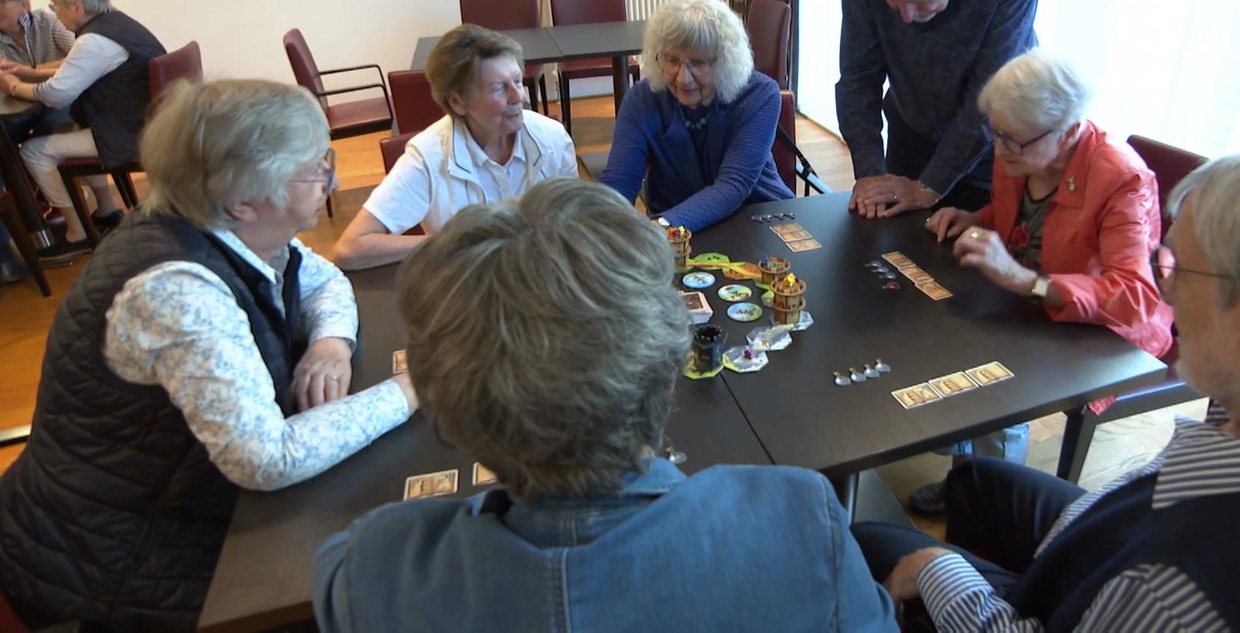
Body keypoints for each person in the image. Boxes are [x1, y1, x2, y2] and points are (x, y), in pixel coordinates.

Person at [854, 137, 1240, 631]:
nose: (1165, 292)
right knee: (978, 479)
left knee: (869, 543)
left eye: (1181, 268)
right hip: (1124, 534)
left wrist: (939, 571)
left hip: (1130, 573)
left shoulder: (1175, 592)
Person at [312, 178, 893, 632]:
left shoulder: (369, 568)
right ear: (668, 368)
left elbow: (342, 566)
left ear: (449, 413)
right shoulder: (803, 517)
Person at [0, 79, 420, 632]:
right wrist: (413, 387)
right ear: (242, 200)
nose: (334, 180)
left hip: (185, 510)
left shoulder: (225, 226)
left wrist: (330, 344)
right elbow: (266, 458)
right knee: (374, 596)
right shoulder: (173, 288)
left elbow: (324, 281)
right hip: (120, 563)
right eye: (315, 170)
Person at [907, 51, 1172, 516]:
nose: (999, 150)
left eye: (1012, 141)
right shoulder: (1021, 148)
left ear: (1067, 132)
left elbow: (1135, 296)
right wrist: (974, 218)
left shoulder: (1122, 178)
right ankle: (966, 476)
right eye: (996, 133)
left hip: (1100, 329)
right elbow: (1025, 219)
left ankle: (995, 506)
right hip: (1027, 299)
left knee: (999, 382)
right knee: (942, 331)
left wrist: (1024, 280)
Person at [838, 0, 1038, 220]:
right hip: (911, 128)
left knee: (975, 243)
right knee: (896, 239)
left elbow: (990, 94)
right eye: (893, 4)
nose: (907, 18)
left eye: (923, 0)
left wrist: (930, 186)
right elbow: (858, 76)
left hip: (994, 143)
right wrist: (871, 174)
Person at [333, 24, 576, 270]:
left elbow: (573, 220)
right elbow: (350, 248)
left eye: (517, 81)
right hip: (467, 282)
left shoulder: (553, 138)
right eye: (498, 87)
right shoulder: (427, 156)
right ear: (458, 102)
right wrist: (454, 241)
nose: (519, 97)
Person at [0, 0, 164, 264]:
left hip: (127, 132)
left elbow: (56, 95)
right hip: (146, 122)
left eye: (56, 7)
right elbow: (76, 66)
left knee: (33, 151)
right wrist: (27, 73)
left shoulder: (94, 41)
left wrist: (13, 86)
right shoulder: (117, 23)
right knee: (66, 130)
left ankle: (77, 234)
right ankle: (105, 212)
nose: (55, 13)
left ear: (76, 6)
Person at [601, 0, 792, 231]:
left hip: (757, 220)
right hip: (677, 229)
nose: (683, 78)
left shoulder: (759, 95)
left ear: (724, 60)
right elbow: (618, 185)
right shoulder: (642, 99)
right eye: (671, 60)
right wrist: (597, 225)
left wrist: (660, 228)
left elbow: (732, 186)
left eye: (699, 63)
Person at [0, 0, 75, 281]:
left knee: (54, 128)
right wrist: (39, 74)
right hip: (17, 110)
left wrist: (27, 73)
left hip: (58, 104)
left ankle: (55, 212)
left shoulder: (48, 22)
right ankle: (7, 254)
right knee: (3, 154)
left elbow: (78, 58)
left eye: (0, 3)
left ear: (24, 3)